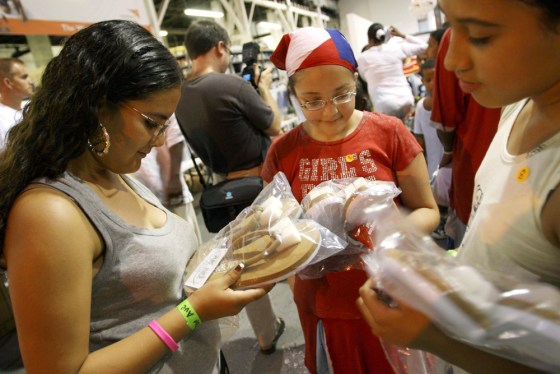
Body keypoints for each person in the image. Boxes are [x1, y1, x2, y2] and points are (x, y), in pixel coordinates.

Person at [0, 20, 268, 373]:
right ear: (97, 105)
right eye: (151, 123)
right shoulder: (50, 214)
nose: (158, 140)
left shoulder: (112, 172)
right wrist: (194, 312)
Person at [357, 0, 560, 373]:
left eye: (481, 36)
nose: (450, 61)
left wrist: (437, 339)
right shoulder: (519, 105)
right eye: (450, 27)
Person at [263, 26, 440, 374]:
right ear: (295, 96)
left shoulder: (389, 132)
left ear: (356, 82)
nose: (330, 112)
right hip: (323, 305)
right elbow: (275, 229)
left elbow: (427, 211)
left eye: (342, 95)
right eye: (312, 101)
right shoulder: (283, 152)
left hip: (391, 294)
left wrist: (381, 238)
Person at [175, 20, 285, 354]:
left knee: (243, 264)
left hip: (222, 191)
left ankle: (265, 334)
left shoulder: (179, 95)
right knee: (287, 251)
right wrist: (263, 87)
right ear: (220, 47)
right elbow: (275, 125)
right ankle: (313, 316)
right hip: (258, 184)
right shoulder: (231, 85)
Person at [430, 28, 501, 246]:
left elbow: (445, 119)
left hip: (474, 176)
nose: (451, 61)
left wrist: (449, 150)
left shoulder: (455, 36)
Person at [134, 114, 202, 244]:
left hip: (168, 189)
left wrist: (174, 179)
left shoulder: (158, 103)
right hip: (142, 198)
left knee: (191, 244)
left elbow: (176, 138)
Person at [357, 23, 427, 121]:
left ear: (369, 39)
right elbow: (424, 46)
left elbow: (364, 77)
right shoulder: (396, 48)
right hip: (406, 100)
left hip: (384, 105)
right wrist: (402, 35)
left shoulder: (363, 58)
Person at [0, 57, 34, 148]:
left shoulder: (31, 107)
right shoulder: (1, 119)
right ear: (8, 82)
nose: (31, 82)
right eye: (24, 77)